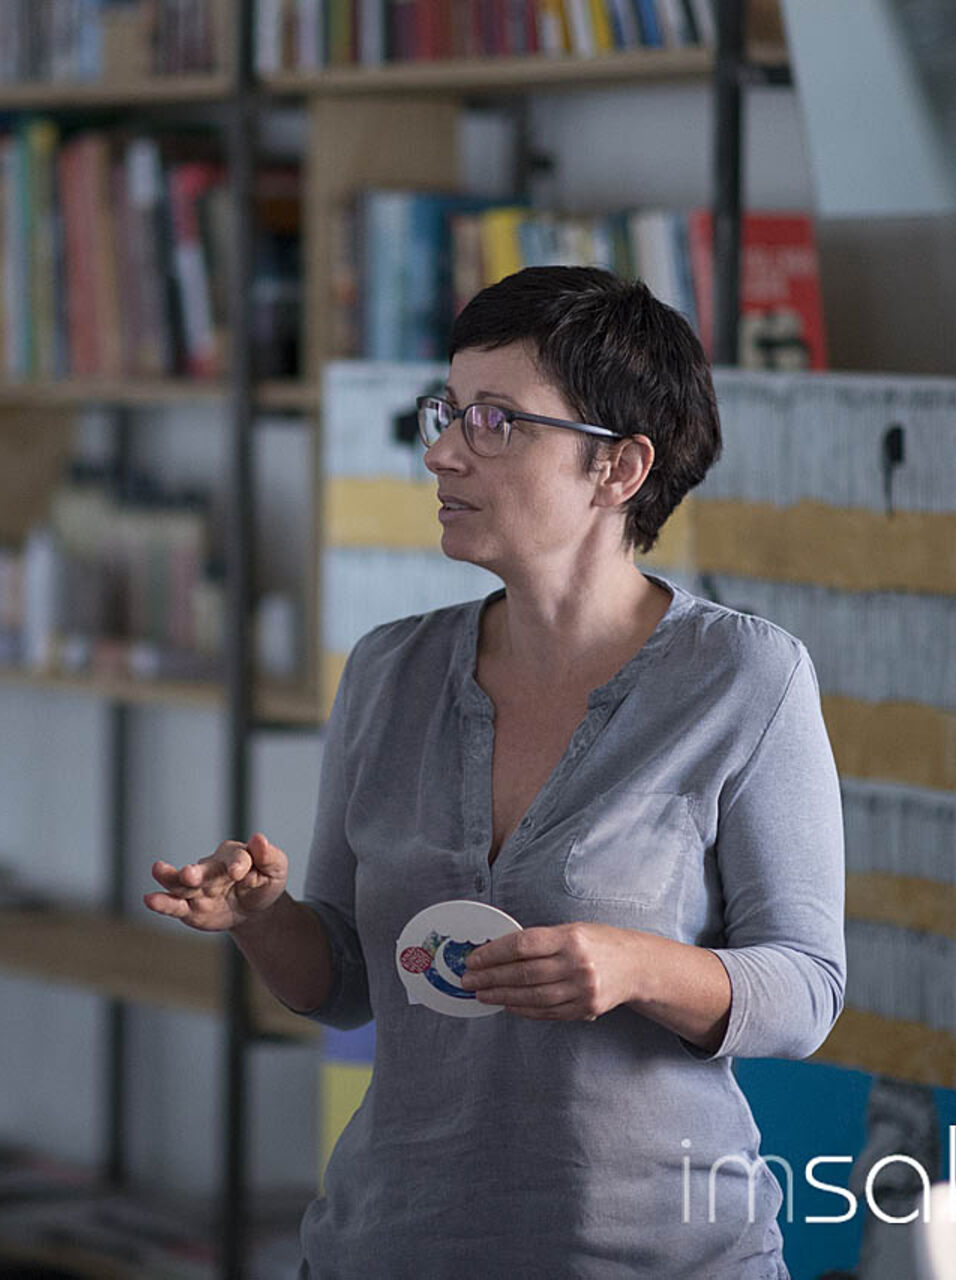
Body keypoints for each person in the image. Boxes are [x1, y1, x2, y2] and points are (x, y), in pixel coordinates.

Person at [147, 265, 846, 1277]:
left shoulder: (745, 676)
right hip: (383, 1248)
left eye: (495, 421)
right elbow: (345, 983)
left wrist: (635, 966)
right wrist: (262, 915)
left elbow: (808, 989)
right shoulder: (388, 669)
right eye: (447, 411)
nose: (441, 450)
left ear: (619, 468)